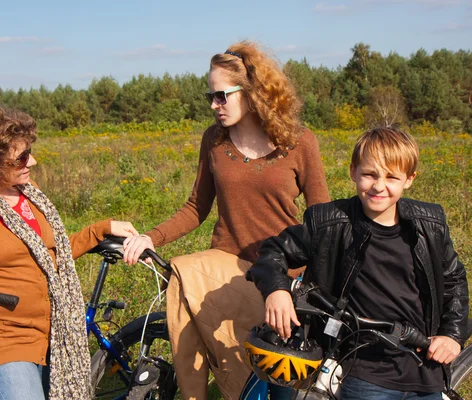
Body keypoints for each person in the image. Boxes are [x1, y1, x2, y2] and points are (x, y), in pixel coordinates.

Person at [123, 40, 330, 399]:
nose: (214, 105)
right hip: (226, 266)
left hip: (281, 276)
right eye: (211, 96)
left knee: (273, 381)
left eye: (222, 96)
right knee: (181, 276)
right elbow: (196, 207)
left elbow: (321, 222)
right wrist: (151, 237)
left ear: (252, 92)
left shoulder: (299, 143)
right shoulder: (215, 141)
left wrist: (321, 285)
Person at [0, 103, 139, 400]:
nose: (32, 161)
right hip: (5, 343)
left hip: (56, 337)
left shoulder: (27, 193)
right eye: (21, 157)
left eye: (29, 152)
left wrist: (100, 229)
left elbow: (48, 254)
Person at [248, 127, 469, 399]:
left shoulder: (429, 225)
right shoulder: (329, 222)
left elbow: (454, 280)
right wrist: (277, 290)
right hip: (363, 366)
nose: (379, 186)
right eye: (369, 174)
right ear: (353, 171)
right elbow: (273, 251)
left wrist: (452, 335)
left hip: (423, 365)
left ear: (409, 179)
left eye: (391, 177)